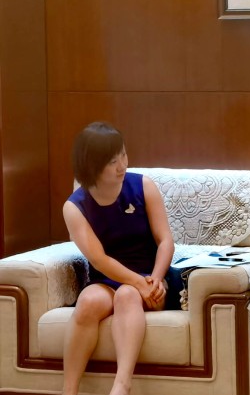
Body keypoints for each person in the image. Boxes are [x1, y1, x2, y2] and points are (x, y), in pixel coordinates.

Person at [62, 122, 175, 395]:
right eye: (112, 161)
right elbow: (99, 260)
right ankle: (68, 390)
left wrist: (154, 279)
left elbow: (166, 241)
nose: (122, 165)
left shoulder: (143, 186)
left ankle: (122, 386)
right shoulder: (75, 206)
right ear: (92, 165)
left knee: (127, 295)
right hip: (107, 278)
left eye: (123, 155)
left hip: (151, 276)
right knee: (88, 302)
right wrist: (137, 282)